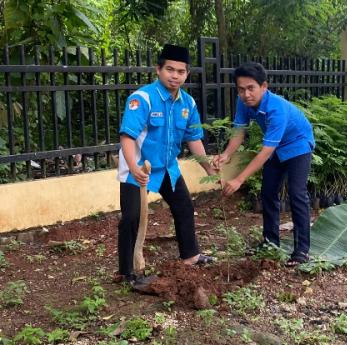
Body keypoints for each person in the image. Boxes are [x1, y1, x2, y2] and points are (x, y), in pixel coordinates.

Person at [116, 44, 216, 282]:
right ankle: (127, 272)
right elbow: (127, 137)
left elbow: (194, 139)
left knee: (184, 207)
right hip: (137, 167)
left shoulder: (188, 104)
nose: (175, 76)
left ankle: (190, 256)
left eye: (181, 71)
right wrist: (134, 168)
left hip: (167, 168)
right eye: (170, 69)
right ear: (158, 69)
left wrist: (209, 168)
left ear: (187, 74)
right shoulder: (142, 99)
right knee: (131, 218)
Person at [214, 62, 315, 266]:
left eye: (251, 88)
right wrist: (226, 154)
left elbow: (265, 152)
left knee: (297, 194)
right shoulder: (243, 102)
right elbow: (239, 131)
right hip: (277, 147)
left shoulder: (276, 109)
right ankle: (270, 243)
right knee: (268, 192)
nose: (246, 94)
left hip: (298, 145)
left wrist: (239, 180)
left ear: (264, 86)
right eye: (241, 89)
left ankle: (301, 251)